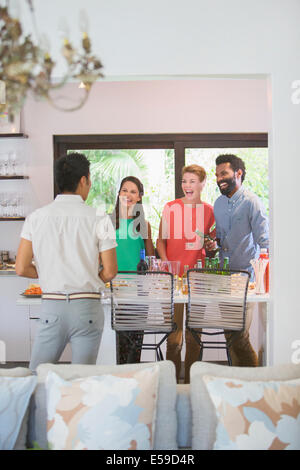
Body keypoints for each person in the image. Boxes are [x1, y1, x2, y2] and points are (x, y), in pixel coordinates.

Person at [15, 152, 118, 371]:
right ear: (83, 180)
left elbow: (21, 267)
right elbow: (109, 272)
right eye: (89, 181)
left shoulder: (36, 217)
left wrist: (48, 272)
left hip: (52, 307)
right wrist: (89, 276)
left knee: (36, 376)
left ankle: (38, 406)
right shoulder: (100, 218)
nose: (89, 186)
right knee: (82, 380)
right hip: (87, 308)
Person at [206, 153, 269, 367]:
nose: (219, 178)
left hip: (246, 278)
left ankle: (255, 380)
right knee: (229, 336)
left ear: (238, 173)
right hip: (224, 278)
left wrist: (264, 278)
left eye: (224, 173)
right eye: (217, 175)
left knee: (239, 335)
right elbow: (221, 239)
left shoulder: (252, 202)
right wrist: (213, 246)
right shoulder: (218, 204)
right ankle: (235, 381)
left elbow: (265, 242)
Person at [156, 164, 216, 383]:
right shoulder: (170, 207)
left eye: (192, 181)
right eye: (184, 181)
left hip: (197, 279)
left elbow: (212, 245)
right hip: (172, 280)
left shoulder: (209, 211)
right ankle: (171, 382)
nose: (187, 185)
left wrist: (210, 247)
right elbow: (160, 241)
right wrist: (166, 264)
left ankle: (191, 382)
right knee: (174, 337)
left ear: (202, 183)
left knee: (194, 336)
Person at [111, 176, 155, 364]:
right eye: (124, 190)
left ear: (139, 197)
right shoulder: (108, 222)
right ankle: (120, 376)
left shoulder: (143, 225)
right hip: (115, 287)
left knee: (136, 340)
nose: (127, 194)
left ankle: (135, 376)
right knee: (119, 339)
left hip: (138, 288)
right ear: (119, 193)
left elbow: (151, 257)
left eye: (133, 191)